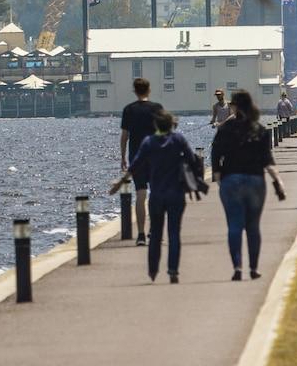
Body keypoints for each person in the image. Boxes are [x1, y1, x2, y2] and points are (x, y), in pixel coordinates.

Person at [210, 90, 287, 281]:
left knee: (234, 225)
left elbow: (215, 155)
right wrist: (278, 180)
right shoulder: (258, 129)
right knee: (253, 227)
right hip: (255, 180)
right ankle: (253, 268)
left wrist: (218, 176)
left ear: (233, 107)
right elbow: (267, 159)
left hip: (231, 180)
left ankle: (237, 267)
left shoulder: (225, 130)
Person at [130, 108, 205, 283]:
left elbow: (136, 163)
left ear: (156, 124)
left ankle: (153, 270)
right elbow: (193, 160)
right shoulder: (178, 139)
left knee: (155, 233)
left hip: (156, 195)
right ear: (171, 124)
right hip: (176, 194)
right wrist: (196, 181)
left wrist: (121, 181)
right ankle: (173, 270)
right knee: (174, 233)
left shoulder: (149, 142)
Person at [119, 76, 162, 246]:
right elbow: (164, 132)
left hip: (136, 157)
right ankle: (154, 229)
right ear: (149, 90)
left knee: (140, 194)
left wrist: (123, 157)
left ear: (135, 91)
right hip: (156, 156)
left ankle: (141, 234)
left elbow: (125, 136)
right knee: (156, 194)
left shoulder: (129, 110)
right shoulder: (157, 108)